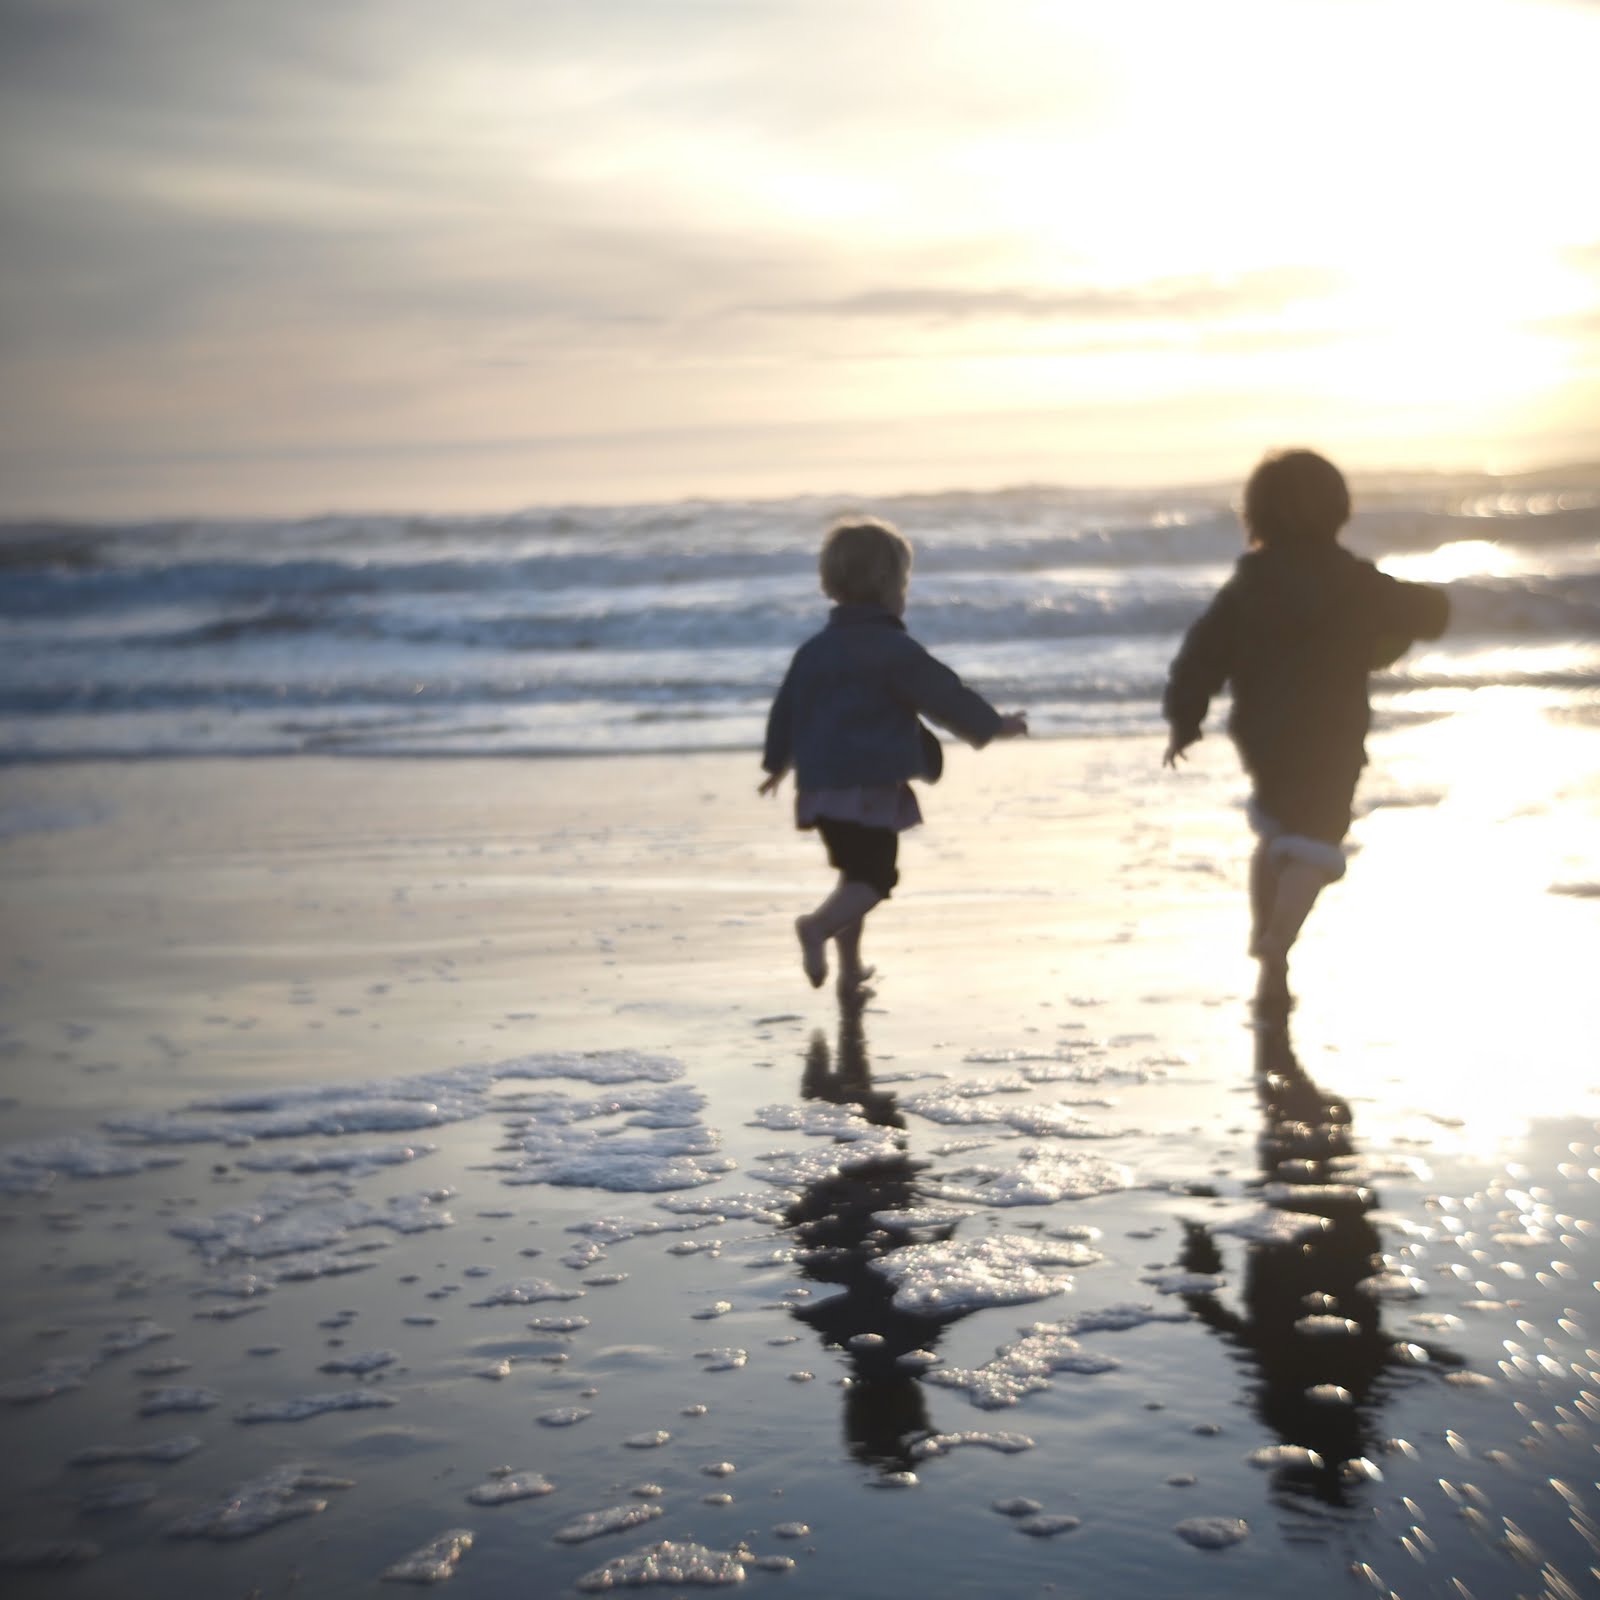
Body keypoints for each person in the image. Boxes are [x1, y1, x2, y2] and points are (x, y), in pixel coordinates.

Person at [1162, 449, 1448, 1015]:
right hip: (1331, 734)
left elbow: (1200, 656)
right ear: (1339, 509)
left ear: (1256, 514)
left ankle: (1272, 967)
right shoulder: (1355, 582)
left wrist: (1184, 721)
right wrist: (1407, 617)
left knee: (1276, 833)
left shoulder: (1246, 587)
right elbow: (1431, 613)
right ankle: (1277, 940)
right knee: (1315, 844)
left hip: (1262, 734)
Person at [761, 516, 1028, 993]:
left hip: (821, 790)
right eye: (903, 583)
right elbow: (945, 695)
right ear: (889, 586)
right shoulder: (893, 648)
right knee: (876, 878)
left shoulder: (813, 651)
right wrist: (994, 725)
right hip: (866, 787)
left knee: (853, 876)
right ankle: (816, 928)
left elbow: (788, 709)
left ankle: (850, 968)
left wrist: (777, 763)